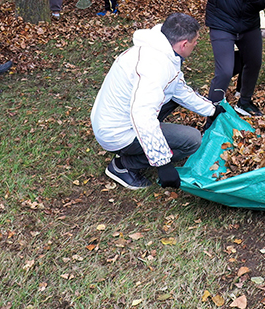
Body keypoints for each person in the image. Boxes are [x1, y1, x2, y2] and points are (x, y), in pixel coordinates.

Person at [91, 13, 223, 190]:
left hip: (115, 118)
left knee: (173, 99)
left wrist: (211, 110)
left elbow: (178, 88)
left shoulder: (160, 49)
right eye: (195, 41)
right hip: (117, 131)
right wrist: (163, 163)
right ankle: (124, 165)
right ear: (184, 44)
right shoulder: (156, 68)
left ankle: (137, 151)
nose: (196, 44)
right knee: (193, 140)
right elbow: (143, 116)